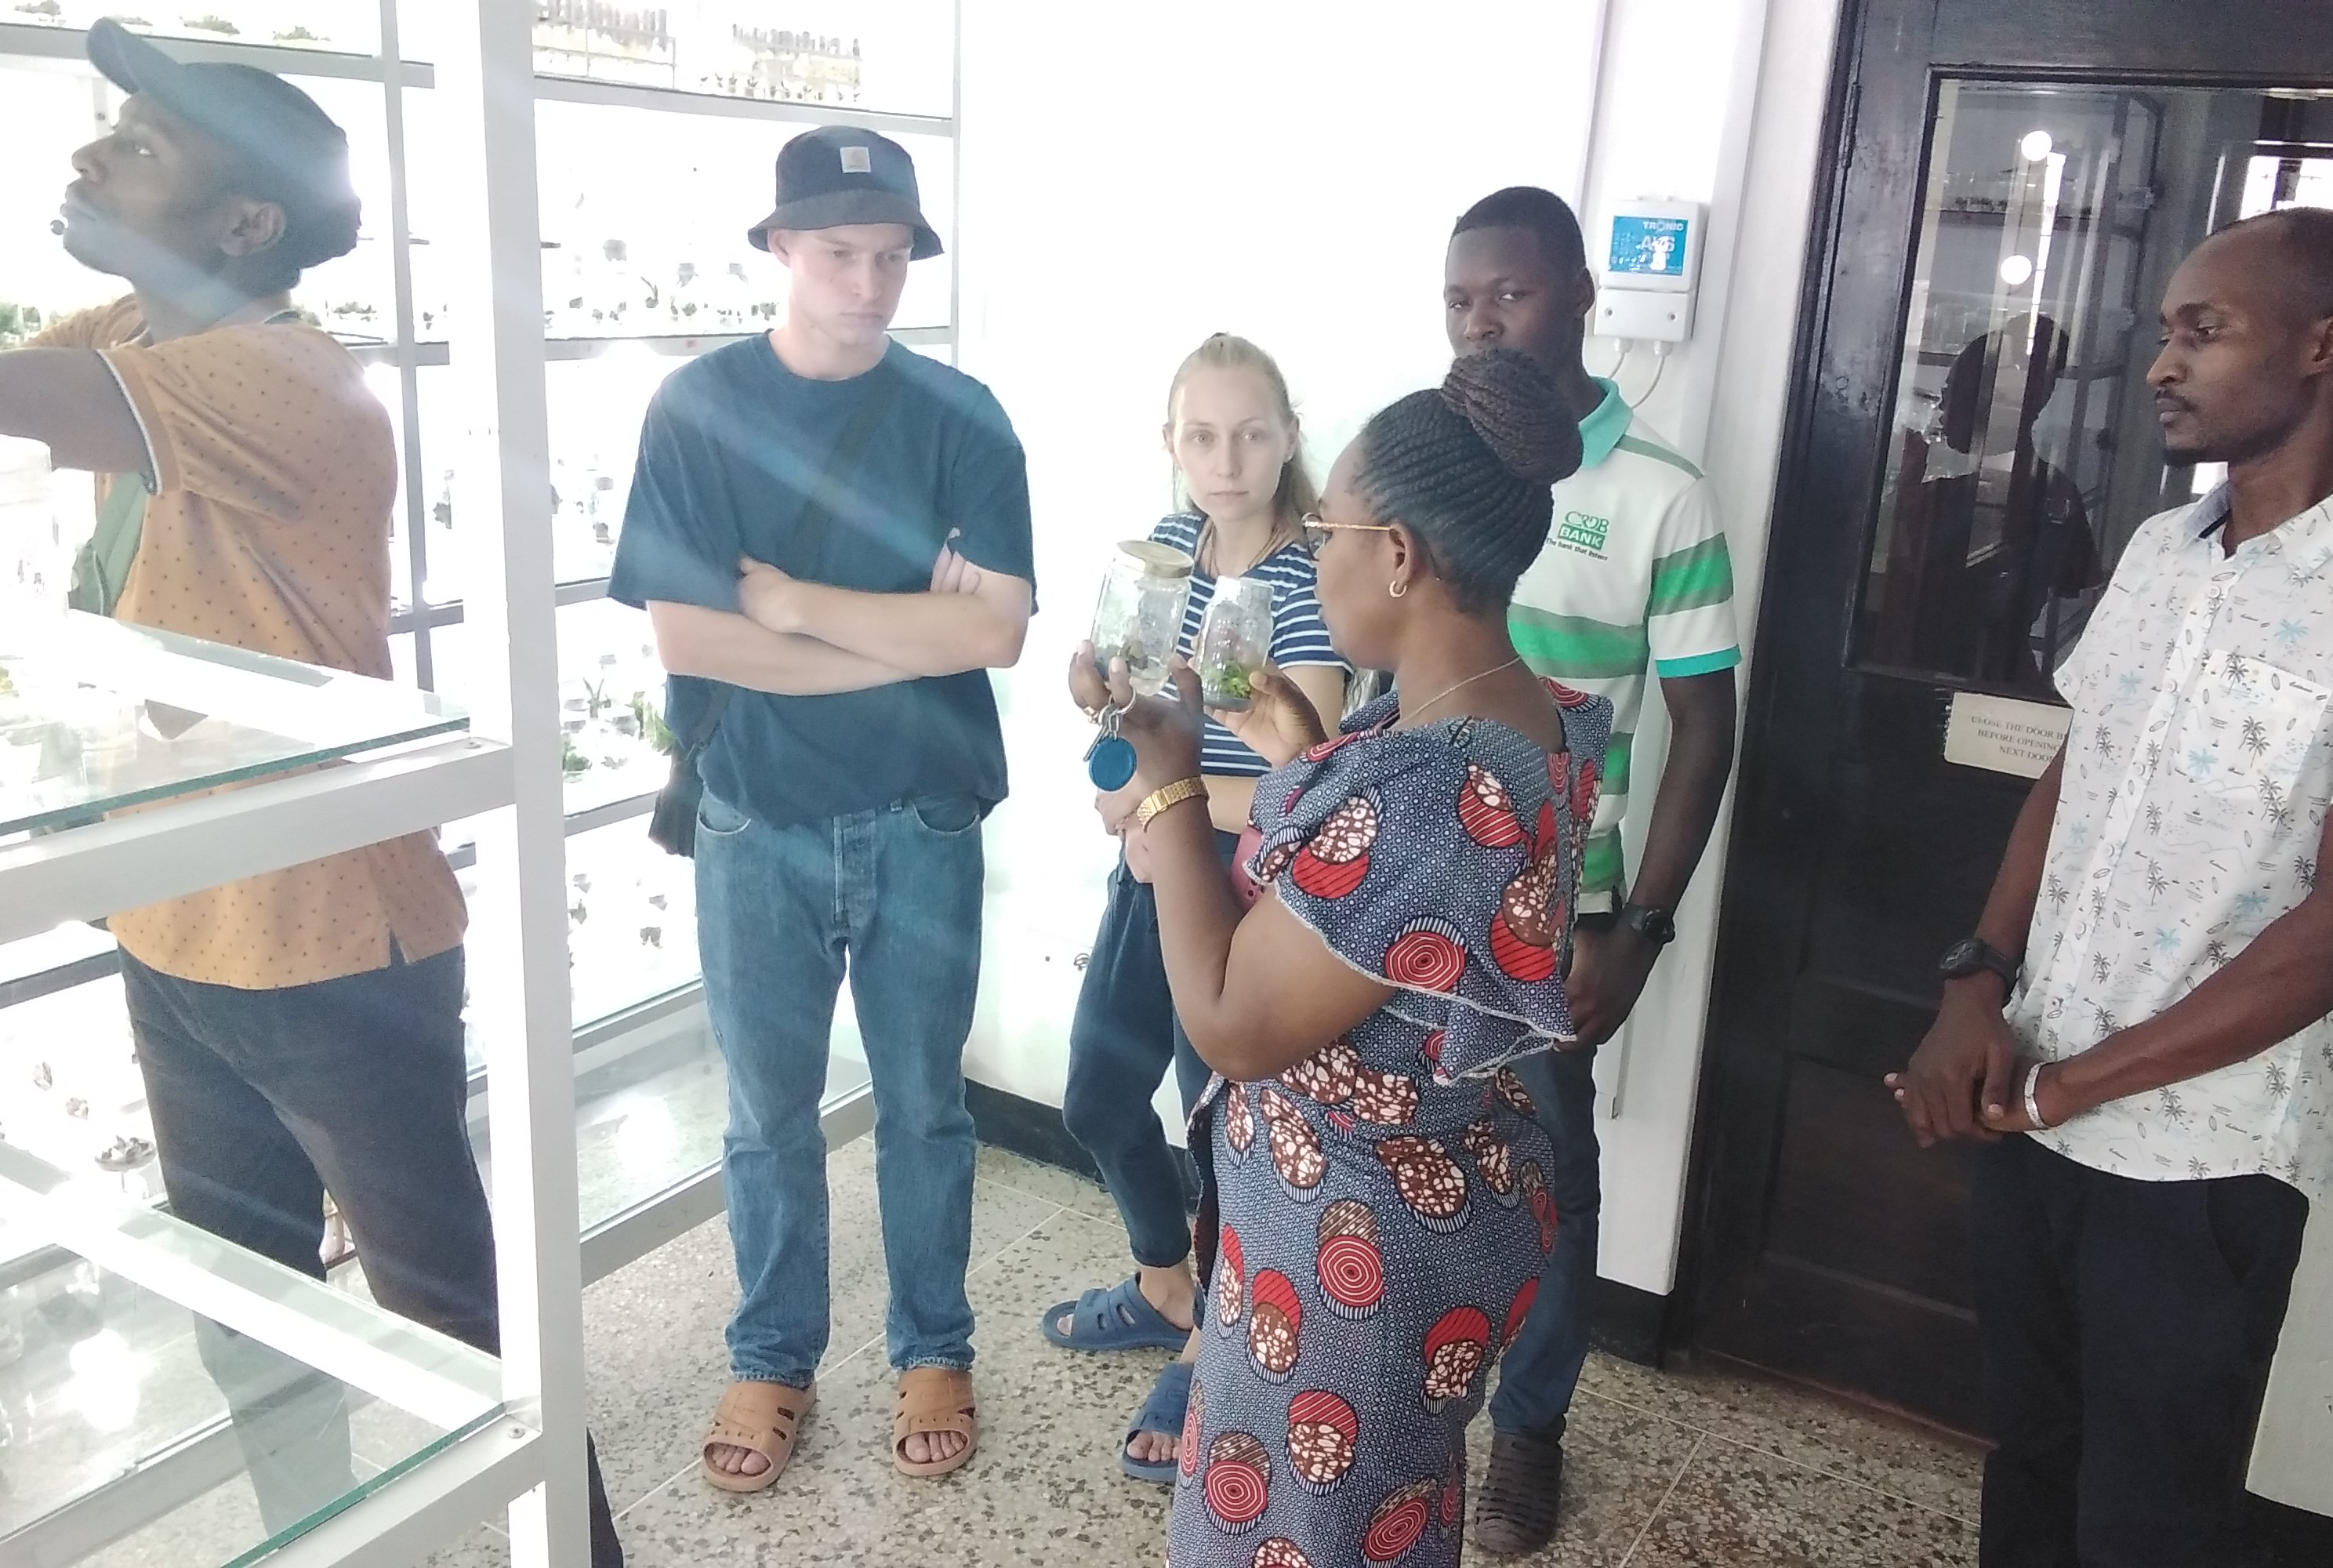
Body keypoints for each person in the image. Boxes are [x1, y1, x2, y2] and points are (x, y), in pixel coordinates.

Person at [0, 21, 625, 1560]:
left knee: (467, 1337)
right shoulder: (140, 336)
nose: (87, 155)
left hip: (335, 947)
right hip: (181, 933)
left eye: (137, 145)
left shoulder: (278, 378)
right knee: (256, 1328)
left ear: (246, 224)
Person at [1888, 207, 2333, 1567]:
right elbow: (2075, 763)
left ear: (2327, 346)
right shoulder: (2168, 551)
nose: (2162, 363)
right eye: (2165, 330)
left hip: (2202, 1162)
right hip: (2031, 1110)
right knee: (2030, 1455)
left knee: (2151, 1516)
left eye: (2202, 331)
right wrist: (1975, 982)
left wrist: (2069, 1086)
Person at [1107, 347, 1606, 1567]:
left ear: (1397, 555)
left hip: (1353, 1252)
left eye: (1325, 529)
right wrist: (1294, 740)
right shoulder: (1515, 714)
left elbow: (1228, 1017)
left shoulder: (1438, 788)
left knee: (1309, 1530)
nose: (1309, 555)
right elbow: (1387, 914)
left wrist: (1164, 782)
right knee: (1374, 1512)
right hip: (1423, 1210)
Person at [608, 124, 1033, 1486]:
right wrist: (899, 629)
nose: (869, 281)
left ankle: (933, 1345)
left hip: (923, 815)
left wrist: (787, 603)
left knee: (925, 1106)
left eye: (892, 252)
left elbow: (1000, 637)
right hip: (754, 813)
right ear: (783, 248)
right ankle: (772, 1355)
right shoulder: (699, 410)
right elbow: (690, 641)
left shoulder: (961, 417)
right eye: (840, 251)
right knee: (766, 1115)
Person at [1440, 185, 1741, 1552]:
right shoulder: (1426, 463)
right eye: (1458, 298)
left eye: (1505, 291)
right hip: (1417, 880)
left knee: (1554, 1168)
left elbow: (1706, 729)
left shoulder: (1661, 493)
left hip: (1565, 899)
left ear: (1577, 297)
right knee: (1406, 1141)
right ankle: (1407, 1383)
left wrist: (1644, 928)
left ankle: (1533, 1432)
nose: (1480, 319)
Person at [1040, 333, 1348, 1482]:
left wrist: (1159, 797)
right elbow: (1130, 700)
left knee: (1221, 1130)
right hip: (1156, 867)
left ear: (1287, 439)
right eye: (1204, 435)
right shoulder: (1166, 550)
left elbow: (1297, 779)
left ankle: (1221, 1349)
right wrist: (1097, 696)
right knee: (1096, 1092)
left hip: (1239, 891)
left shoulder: (1312, 576)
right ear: (1171, 444)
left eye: (1253, 433)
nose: (1228, 458)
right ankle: (1170, 1283)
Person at [1872, 314, 2102, 686]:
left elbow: (1885, 581)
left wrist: (1908, 483)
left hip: (1933, 680)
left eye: (1952, 394)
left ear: (1996, 407)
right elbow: (2079, 584)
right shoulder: (2057, 488)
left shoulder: (1950, 496)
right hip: (2001, 679)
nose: (1942, 411)